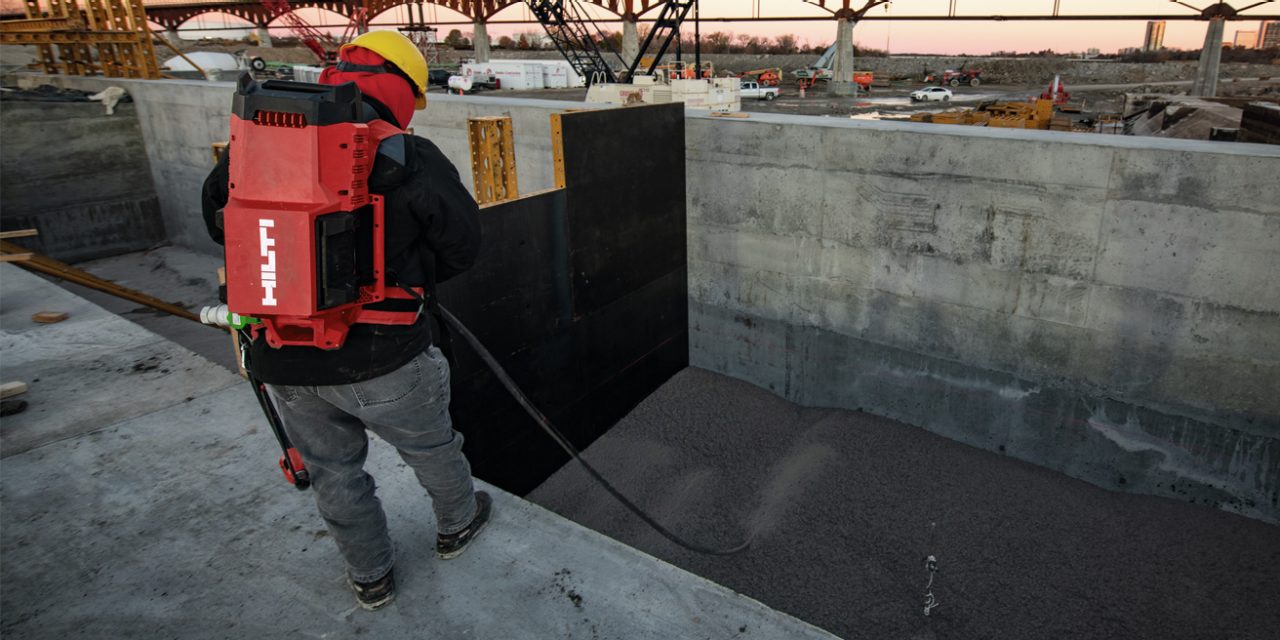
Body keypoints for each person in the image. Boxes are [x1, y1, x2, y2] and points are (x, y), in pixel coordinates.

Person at [200, 31, 488, 612]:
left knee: (333, 474)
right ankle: (457, 524)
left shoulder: (254, 147)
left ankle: (371, 576)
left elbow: (218, 223)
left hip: (284, 357)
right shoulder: (408, 156)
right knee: (433, 448)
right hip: (387, 357)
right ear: (401, 88)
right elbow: (463, 247)